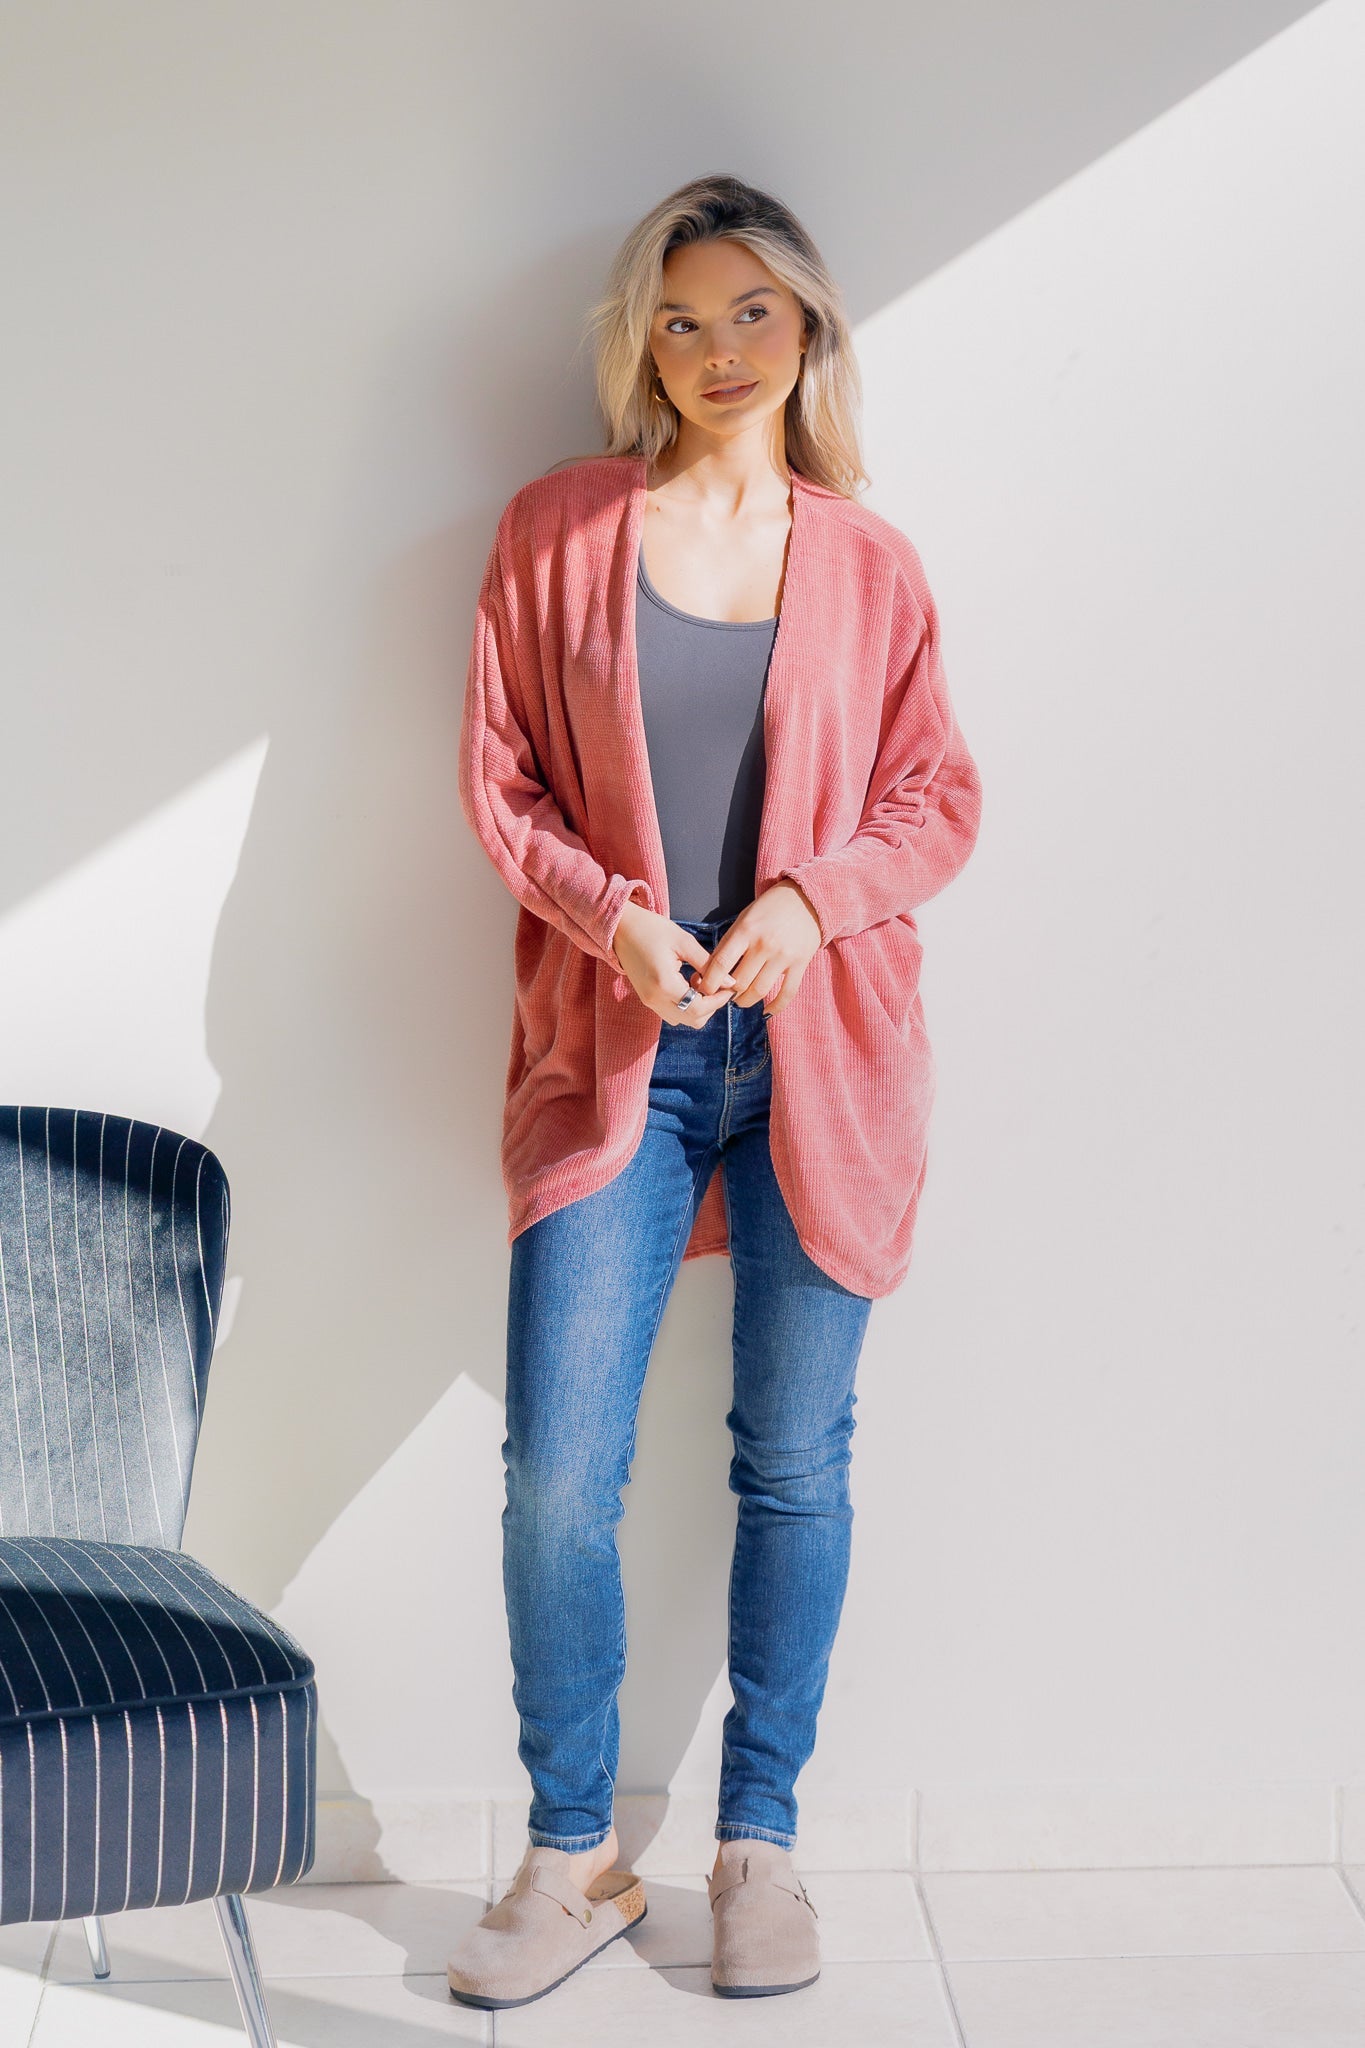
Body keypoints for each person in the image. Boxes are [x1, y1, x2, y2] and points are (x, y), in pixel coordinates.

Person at [448, 172, 983, 2011]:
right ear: (641, 344)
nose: (718, 350)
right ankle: (572, 1857)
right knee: (555, 1476)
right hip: (621, 1055)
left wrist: (809, 903)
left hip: (816, 1056)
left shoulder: (869, 563)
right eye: (680, 320)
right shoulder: (557, 529)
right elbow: (500, 779)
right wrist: (611, 918)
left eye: (751, 311)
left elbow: (936, 801)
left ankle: (759, 1847)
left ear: (807, 322)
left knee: (794, 1463)